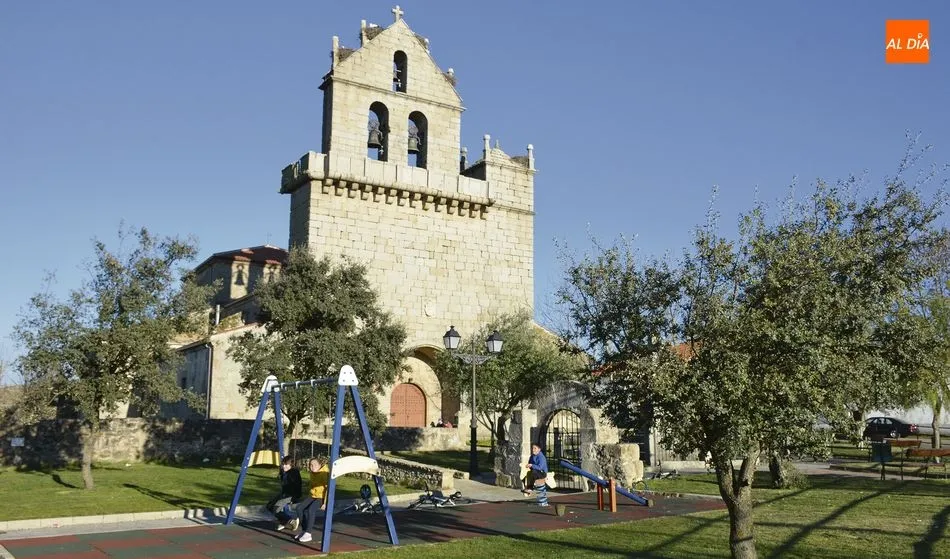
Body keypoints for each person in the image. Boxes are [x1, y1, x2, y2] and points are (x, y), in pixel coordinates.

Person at [295, 457, 330, 543]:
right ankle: (304, 530)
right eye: (310, 465)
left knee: (310, 510)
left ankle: (308, 533)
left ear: (319, 465)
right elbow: (312, 484)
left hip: (321, 497)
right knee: (299, 508)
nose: (312, 467)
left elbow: (328, 489)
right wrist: (307, 493)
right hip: (313, 495)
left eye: (314, 465)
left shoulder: (324, 474)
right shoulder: (312, 473)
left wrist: (325, 503)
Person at [267, 456, 302, 531]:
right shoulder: (284, 472)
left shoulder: (294, 473)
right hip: (284, 493)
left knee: (276, 509)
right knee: (269, 506)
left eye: (286, 464)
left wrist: (294, 498)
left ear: (291, 465)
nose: (284, 466)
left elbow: (297, 486)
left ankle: (291, 521)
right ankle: (285, 521)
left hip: (291, 495)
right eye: (283, 464)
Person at [522, 443, 550, 507]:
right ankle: (526, 487)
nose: (533, 450)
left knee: (534, 472)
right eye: (532, 448)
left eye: (535, 448)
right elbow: (530, 463)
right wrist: (527, 466)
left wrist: (532, 465)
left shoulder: (541, 457)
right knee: (526, 474)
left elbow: (540, 467)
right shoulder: (532, 456)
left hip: (542, 473)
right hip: (535, 472)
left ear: (539, 449)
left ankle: (530, 488)